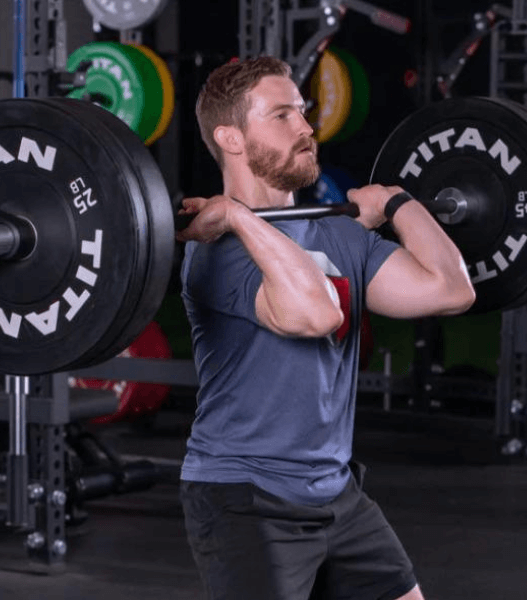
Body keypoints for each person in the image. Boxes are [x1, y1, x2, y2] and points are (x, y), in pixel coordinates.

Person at [175, 56, 475, 600]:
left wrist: (396, 202)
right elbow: (315, 315)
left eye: (304, 113)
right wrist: (239, 216)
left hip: (336, 493)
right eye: (283, 114)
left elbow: (450, 289)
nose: (306, 128)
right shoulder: (215, 254)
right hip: (247, 499)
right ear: (231, 137)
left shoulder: (338, 235)